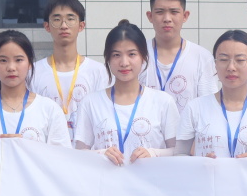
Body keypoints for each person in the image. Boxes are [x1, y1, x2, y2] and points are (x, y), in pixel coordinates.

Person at [0, 30, 71, 188]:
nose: (11, 67)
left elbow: (62, 161)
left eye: (19, 60)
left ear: (30, 63)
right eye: (3, 60)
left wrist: (25, 147)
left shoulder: (49, 109)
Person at [75, 20, 179, 164]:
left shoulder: (163, 101)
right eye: (116, 55)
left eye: (132, 54)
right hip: (105, 179)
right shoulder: (91, 103)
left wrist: (154, 153)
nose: (124, 62)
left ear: (143, 57)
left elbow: (179, 151)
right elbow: (78, 153)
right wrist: (101, 153)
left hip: (151, 178)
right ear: (108, 58)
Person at [177, 30, 247, 157]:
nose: (231, 67)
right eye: (223, 59)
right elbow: (179, 156)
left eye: (240, 60)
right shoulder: (195, 108)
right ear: (215, 64)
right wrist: (200, 163)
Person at [29, 0, 110, 143]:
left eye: (70, 19)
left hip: (86, 153)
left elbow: (104, 117)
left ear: (81, 26)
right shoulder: (33, 72)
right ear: (47, 26)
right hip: (47, 152)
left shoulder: (99, 72)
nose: (64, 25)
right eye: (57, 19)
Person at [142, 0, 216, 112]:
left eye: (174, 12)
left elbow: (208, 107)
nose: (167, 19)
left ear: (185, 16)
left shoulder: (202, 57)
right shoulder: (138, 54)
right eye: (160, 12)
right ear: (150, 16)